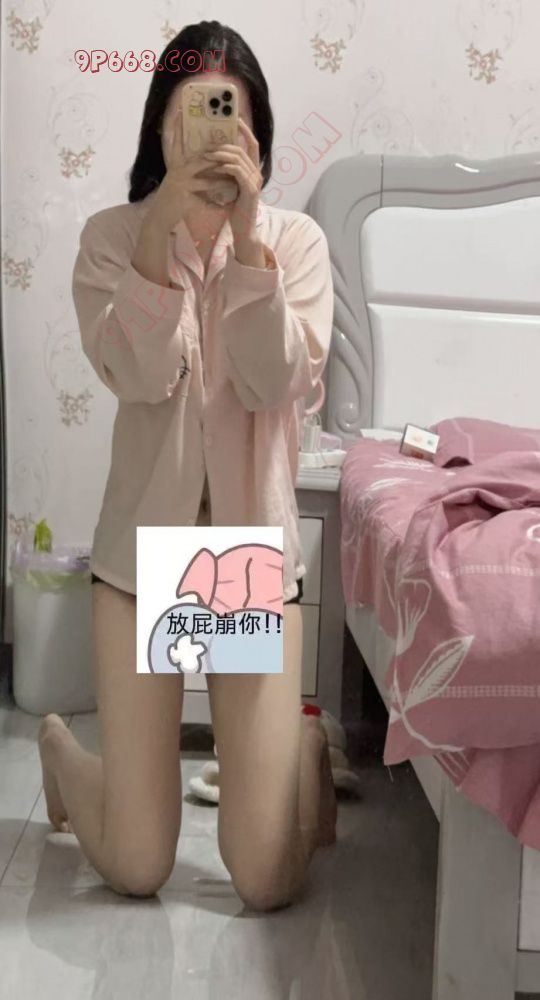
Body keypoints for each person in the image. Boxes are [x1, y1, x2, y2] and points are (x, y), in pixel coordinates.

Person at [38, 20, 337, 911]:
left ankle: (303, 753)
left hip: (244, 562)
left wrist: (247, 246)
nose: (210, 136)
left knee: (265, 879)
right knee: (137, 865)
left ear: (256, 132)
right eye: (192, 115)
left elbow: (276, 379)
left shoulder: (294, 244)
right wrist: (161, 229)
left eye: (226, 116)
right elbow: (137, 374)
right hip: (141, 566)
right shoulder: (112, 238)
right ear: (160, 128)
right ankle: (62, 753)